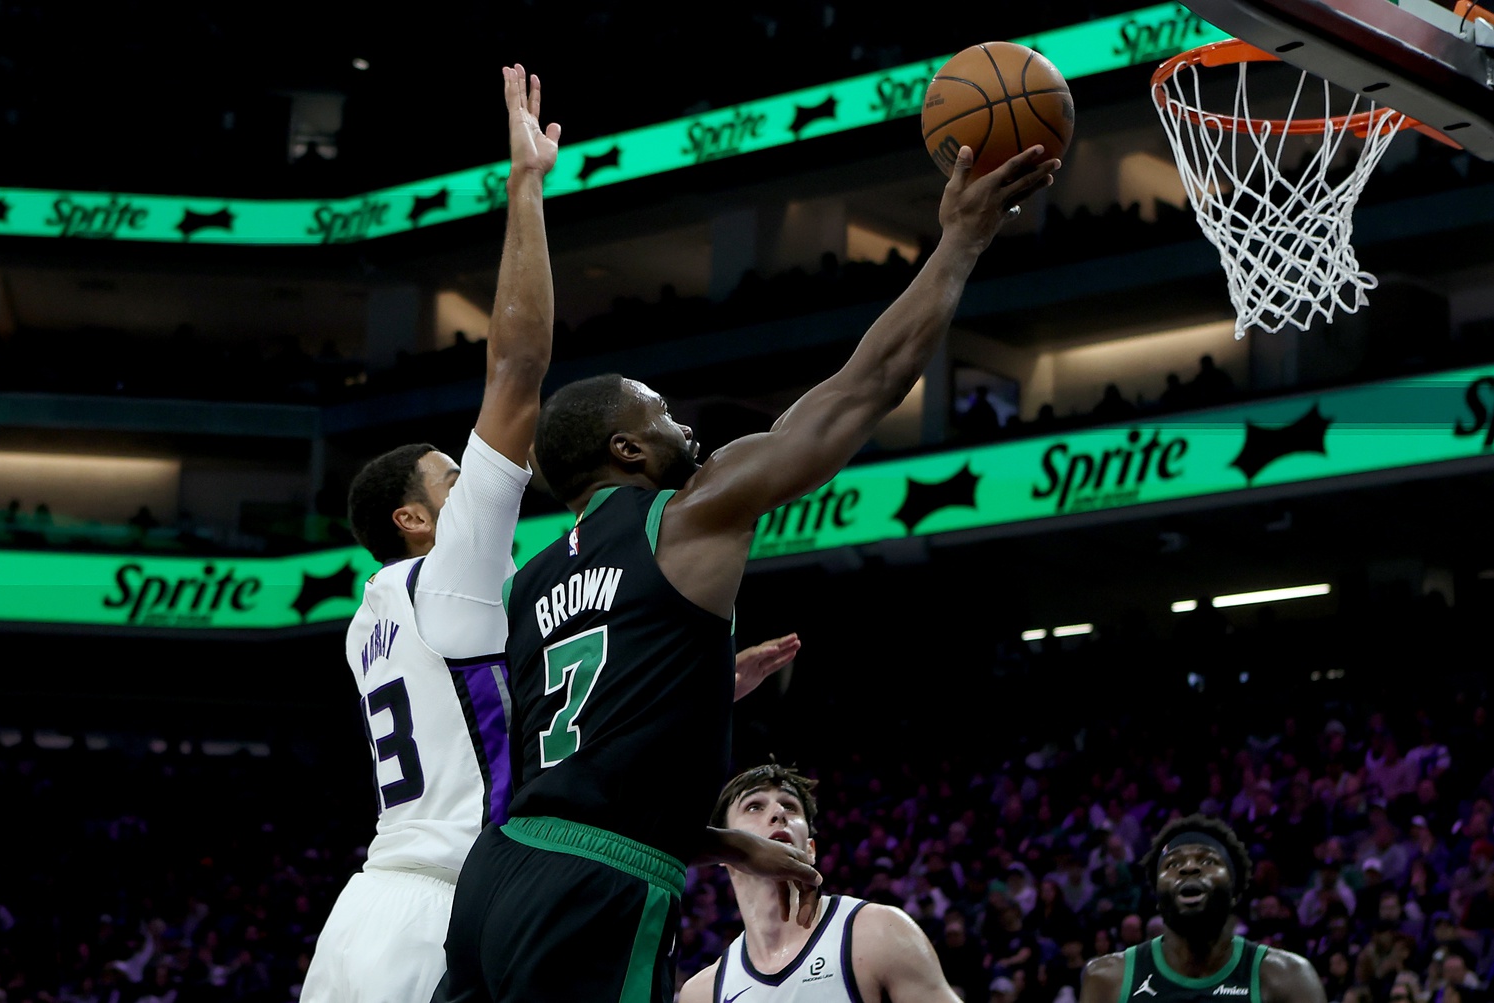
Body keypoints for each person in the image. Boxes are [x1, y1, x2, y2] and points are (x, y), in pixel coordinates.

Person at [435, 142, 1060, 1003]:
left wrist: (730, 839)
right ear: (625, 450)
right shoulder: (686, 514)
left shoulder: (525, 587)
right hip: (593, 886)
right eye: (660, 416)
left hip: (493, 877)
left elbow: (592, 758)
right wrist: (959, 240)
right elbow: (860, 389)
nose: (683, 427)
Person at [300, 65, 802, 1003]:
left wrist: (685, 684)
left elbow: (510, 713)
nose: (484, 479)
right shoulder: (449, 576)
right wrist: (525, 186)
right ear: (414, 519)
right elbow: (518, 367)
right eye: (453, 479)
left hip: (364, 913)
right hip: (455, 908)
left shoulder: (371, 616)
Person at [678, 761, 967, 1003]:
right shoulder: (702, 993)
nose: (778, 813)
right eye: (754, 806)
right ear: (724, 851)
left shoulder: (878, 933)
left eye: (790, 807)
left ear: (810, 850)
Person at [1078, 814, 1326, 1003]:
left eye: (1208, 861)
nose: (1188, 868)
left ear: (1234, 888)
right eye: (1173, 863)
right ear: (1157, 893)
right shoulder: (1108, 978)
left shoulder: (1288, 977)